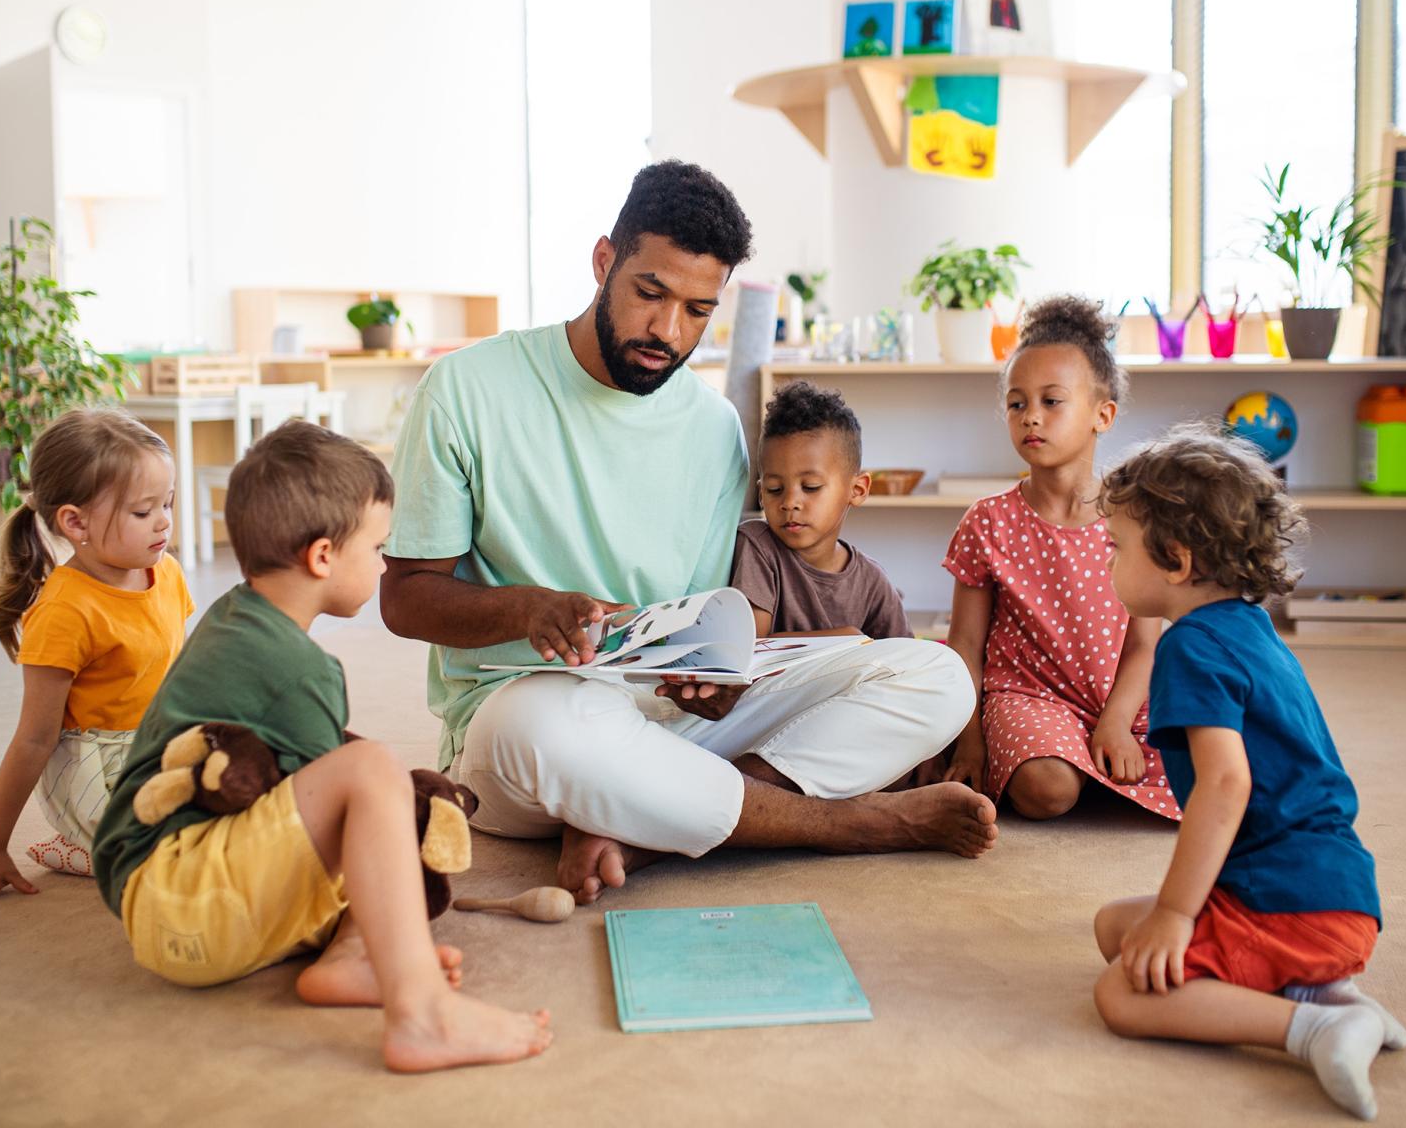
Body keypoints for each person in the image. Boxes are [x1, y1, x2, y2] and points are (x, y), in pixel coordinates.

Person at [380, 160, 995, 906]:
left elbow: (706, 618)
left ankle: (640, 828)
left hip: (667, 728)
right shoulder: (467, 390)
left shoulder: (712, 429)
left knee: (935, 678)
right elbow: (406, 599)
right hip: (529, 717)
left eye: (698, 310)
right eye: (650, 294)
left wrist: (715, 676)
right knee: (542, 727)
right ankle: (845, 825)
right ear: (605, 261)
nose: (668, 332)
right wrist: (527, 609)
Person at [92, 421, 552, 1073]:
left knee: (374, 790)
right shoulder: (297, 670)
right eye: (378, 546)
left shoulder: (236, 618)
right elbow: (335, 825)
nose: (386, 563)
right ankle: (421, 1013)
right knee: (370, 774)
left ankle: (352, 957)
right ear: (322, 557)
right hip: (177, 902)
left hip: (168, 897)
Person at [1089, 426, 1406, 1120]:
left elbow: (1226, 784)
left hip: (1291, 903)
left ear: (1175, 559)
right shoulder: (1246, 627)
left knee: (1119, 993)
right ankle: (1319, 991)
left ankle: (1317, 1027)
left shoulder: (1190, 650)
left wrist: (1176, 914)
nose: (1107, 562)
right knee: (1116, 927)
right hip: (1338, 894)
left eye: (1116, 547)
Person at [939, 296, 1178, 821]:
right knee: (1049, 791)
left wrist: (1115, 722)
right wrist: (971, 740)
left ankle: (1090, 753)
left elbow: (1143, 647)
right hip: (1026, 699)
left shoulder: (1138, 520)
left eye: (1052, 401)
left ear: (1103, 414)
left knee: (1225, 763)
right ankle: (1061, 761)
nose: (1031, 418)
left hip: (1119, 699)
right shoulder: (988, 522)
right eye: (1017, 403)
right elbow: (965, 644)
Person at [0, 409, 190, 905]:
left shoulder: (166, 572)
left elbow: (175, 672)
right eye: (144, 512)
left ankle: (99, 846)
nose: (163, 521)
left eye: (168, 503)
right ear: (76, 522)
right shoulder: (63, 611)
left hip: (155, 743)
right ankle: (85, 844)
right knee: (190, 852)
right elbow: (33, 740)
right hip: (96, 768)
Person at [730, 381, 910, 641]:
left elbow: (905, 659)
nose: (790, 502)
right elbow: (751, 649)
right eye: (774, 489)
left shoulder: (873, 582)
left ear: (857, 490)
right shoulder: (758, 546)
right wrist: (846, 638)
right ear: (760, 493)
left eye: (811, 487)